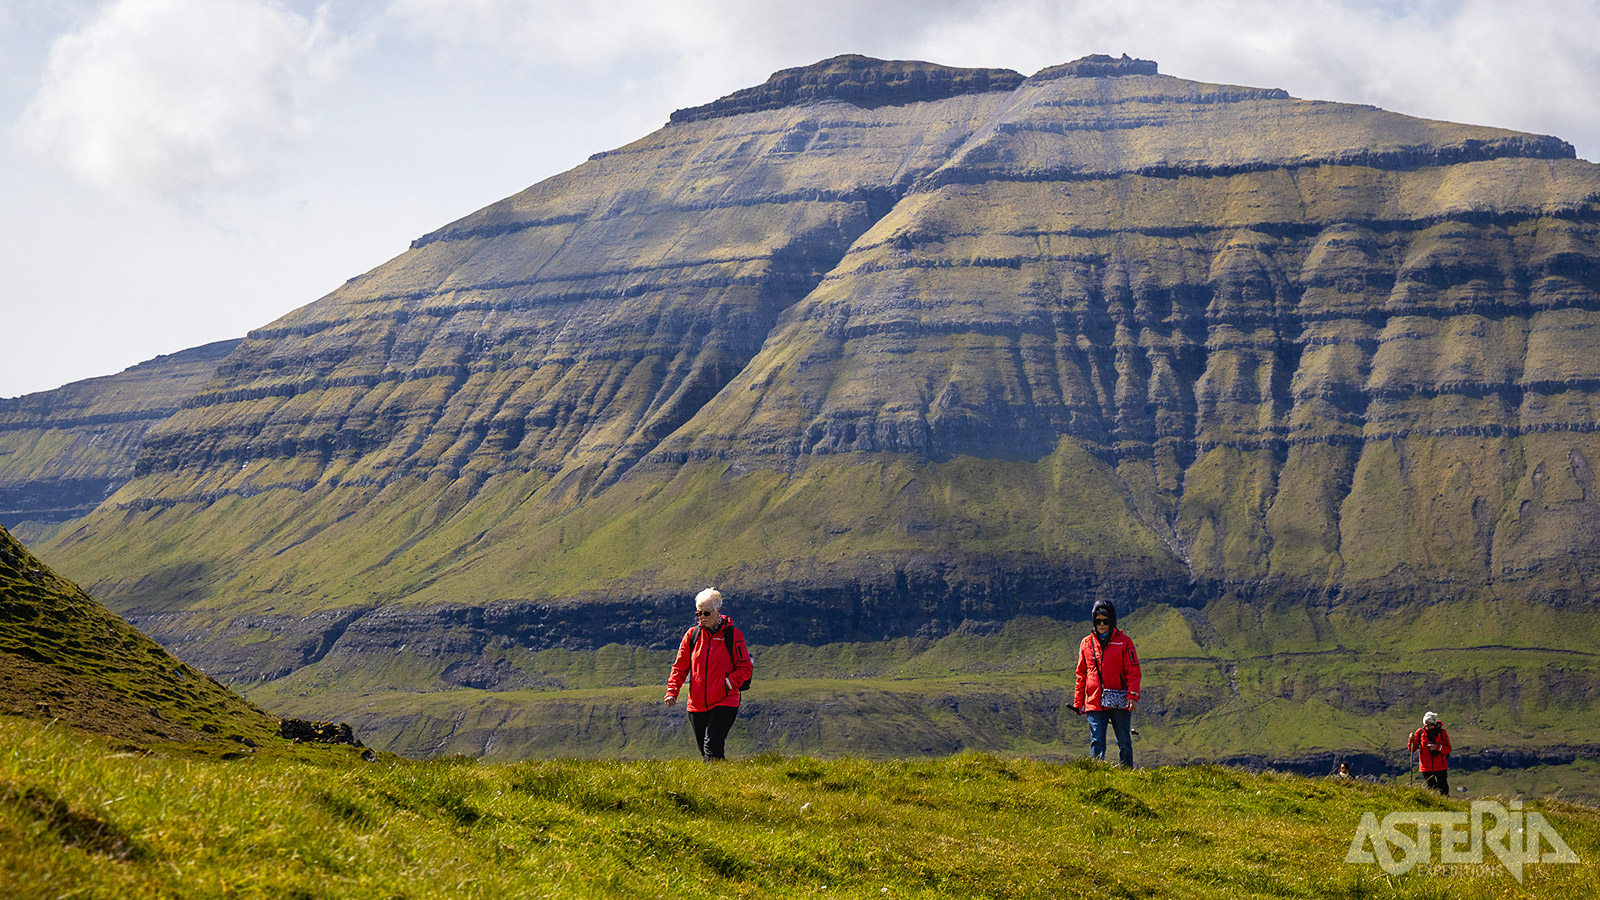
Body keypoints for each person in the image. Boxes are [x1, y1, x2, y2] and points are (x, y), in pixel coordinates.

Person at [663, 587, 752, 761]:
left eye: (706, 613)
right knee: (706, 752)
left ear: (718, 611)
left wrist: (728, 683)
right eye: (698, 613)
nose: (702, 617)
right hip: (696, 704)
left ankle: (717, 783)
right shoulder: (692, 635)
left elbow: (745, 667)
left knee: (712, 745)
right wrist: (672, 691)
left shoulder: (732, 635)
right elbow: (680, 667)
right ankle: (721, 782)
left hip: (725, 700)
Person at [1073, 599, 1141, 767]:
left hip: (1120, 700)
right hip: (1094, 701)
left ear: (1112, 621)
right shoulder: (1086, 643)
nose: (1102, 624)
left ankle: (1126, 772)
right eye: (1098, 621)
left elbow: (1133, 671)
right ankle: (1097, 772)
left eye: (1106, 620)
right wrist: (1078, 702)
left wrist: (1132, 696)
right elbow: (1081, 674)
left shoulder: (1125, 642)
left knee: (1124, 740)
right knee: (1097, 740)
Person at [1408, 711, 1451, 795]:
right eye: (1427, 725)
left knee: (1443, 787)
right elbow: (1412, 749)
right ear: (1424, 724)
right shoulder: (1420, 733)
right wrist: (1411, 740)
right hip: (1426, 766)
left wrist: (1438, 747)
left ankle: (1445, 803)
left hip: (1440, 766)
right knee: (1430, 787)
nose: (1430, 727)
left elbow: (1448, 749)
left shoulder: (1442, 733)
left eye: (1432, 724)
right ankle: (1433, 803)